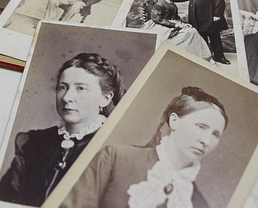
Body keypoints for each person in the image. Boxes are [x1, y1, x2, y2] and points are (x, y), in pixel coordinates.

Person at [59, 86, 228, 208]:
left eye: (215, 134)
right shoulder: (115, 158)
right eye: (201, 126)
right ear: (174, 121)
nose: (206, 140)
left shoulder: (197, 203)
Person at [0, 53, 125, 207]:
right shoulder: (34, 143)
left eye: (81, 88)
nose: (67, 97)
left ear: (105, 98)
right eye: (63, 87)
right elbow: (3, 199)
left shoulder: (112, 148)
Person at [173, 0, 231, 65]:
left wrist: (217, 15)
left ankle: (219, 57)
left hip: (210, 16)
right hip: (195, 17)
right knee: (201, 38)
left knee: (214, 37)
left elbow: (219, 0)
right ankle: (204, 56)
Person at [140, 0, 213, 62]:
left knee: (192, 31)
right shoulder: (160, 3)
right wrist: (174, 25)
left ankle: (199, 56)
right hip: (161, 23)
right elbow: (156, 18)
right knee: (187, 33)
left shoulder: (172, 3)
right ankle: (178, 55)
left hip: (173, 22)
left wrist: (183, 23)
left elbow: (176, 16)